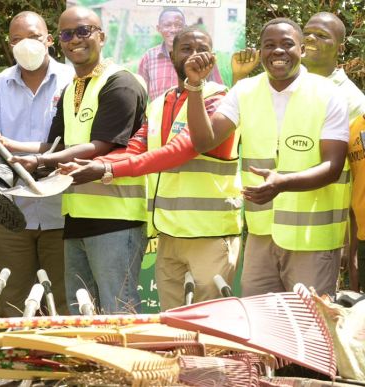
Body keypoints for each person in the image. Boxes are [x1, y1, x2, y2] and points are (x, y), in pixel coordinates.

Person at [60, 27, 241, 311]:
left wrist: (106, 170)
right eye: (186, 49)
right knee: (171, 323)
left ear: (213, 58)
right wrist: (96, 164)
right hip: (169, 235)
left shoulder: (221, 100)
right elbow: (135, 148)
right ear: (171, 55)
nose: (194, 55)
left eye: (201, 49)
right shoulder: (160, 103)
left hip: (210, 235)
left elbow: (173, 153)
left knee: (208, 323)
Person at [0, 6, 149, 314]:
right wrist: (9, 145)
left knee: (118, 307)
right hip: (75, 217)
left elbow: (101, 144)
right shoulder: (71, 88)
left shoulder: (121, 83)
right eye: (67, 34)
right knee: (81, 312)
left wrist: (40, 161)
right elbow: (55, 145)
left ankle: (130, 363)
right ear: (59, 41)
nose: (74, 39)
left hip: (116, 219)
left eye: (83, 31)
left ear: (101, 36)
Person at [185, 18, 350, 297]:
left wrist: (281, 183)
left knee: (309, 329)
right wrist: (194, 86)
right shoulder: (244, 91)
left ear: (302, 49)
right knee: (261, 324)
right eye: (269, 45)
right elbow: (204, 141)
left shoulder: (329, 95)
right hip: (262, 237)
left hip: (312, 240)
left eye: (287, 44)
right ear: (260, 51)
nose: (278, 51)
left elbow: (333, 167)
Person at [232, 12, 365, 292]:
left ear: (341, 47)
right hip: (267, 234)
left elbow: (357, 176)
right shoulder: (266, 86)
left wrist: (349, 247)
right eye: (308, 33)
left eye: (323, 35)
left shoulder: (352, 100)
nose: (313, 39)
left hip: (314, 239)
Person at [0, 11, 73, 316]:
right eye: (17, 40)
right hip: (11, 211)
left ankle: (61, 361)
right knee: (12, 298)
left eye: (32, 37)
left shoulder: (74, 81)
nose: (25, 45)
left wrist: (29, 155)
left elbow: (75, 144)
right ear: (9, 45)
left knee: (62, 300)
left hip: (62, 210)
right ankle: (14, 360)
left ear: (48, 40)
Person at [138, 7, 223, 101]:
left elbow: (218, 93)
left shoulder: (203, 56)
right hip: (160, 115)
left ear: (185, 27)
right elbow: (140, 95)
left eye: (178, 25)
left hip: (197, 113)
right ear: (159, 28)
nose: (173, 29)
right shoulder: (149, 57)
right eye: (167, 25)